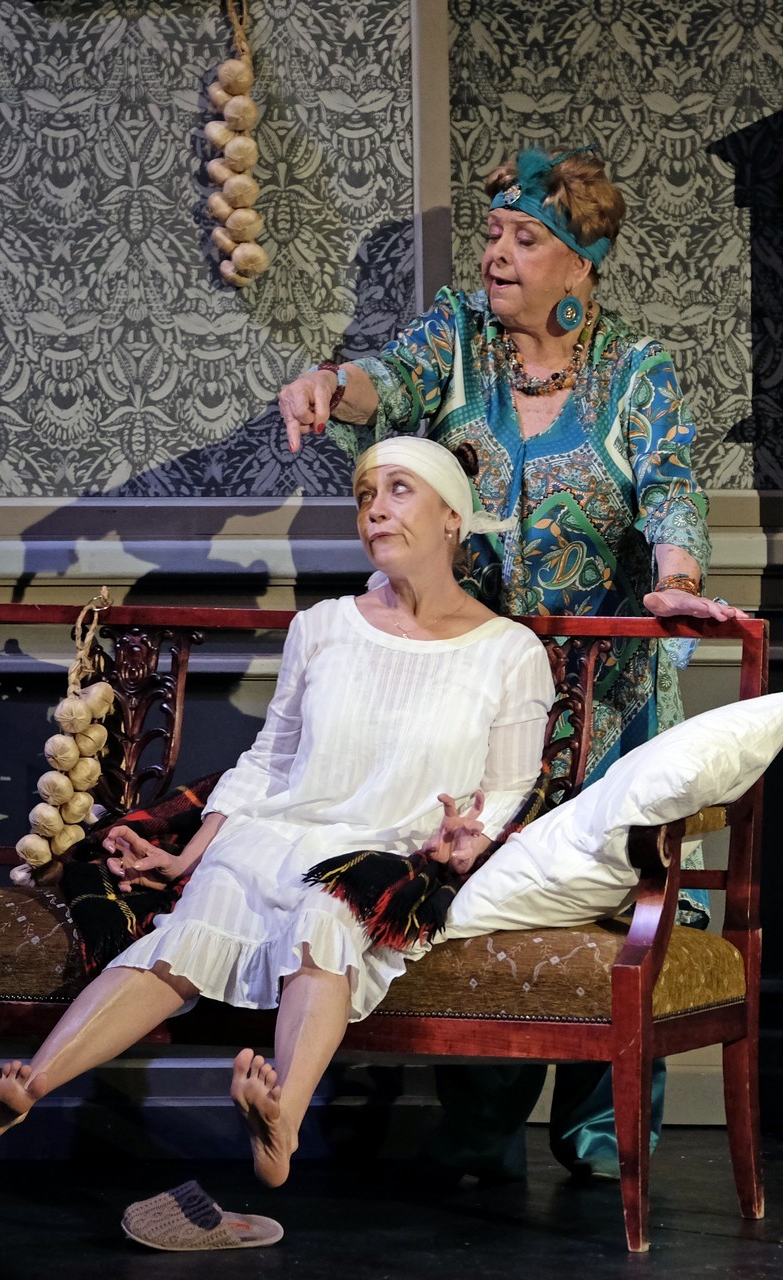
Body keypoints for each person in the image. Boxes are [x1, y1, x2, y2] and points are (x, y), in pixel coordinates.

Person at [278, 145, 748, 1181]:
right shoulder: (457, 341)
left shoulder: (634, 371)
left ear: (580, 263)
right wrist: (327, 384)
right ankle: (480, 1125)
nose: (495, 253)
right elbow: (380, 383)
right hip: (484, 687)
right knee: (480, 878)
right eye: (492, 232)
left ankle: (602, 1134)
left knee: (617, 890)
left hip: (612, 695)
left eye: (523, 238)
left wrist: (674, 577)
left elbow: (670, 487)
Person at [0, 435, 581, 1188]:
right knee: (187, 931)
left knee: (326, 916)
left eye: (398, 490)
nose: (374, 510)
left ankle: (280, 1116)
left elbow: (510, 790)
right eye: (364, 496)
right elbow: (269, 762)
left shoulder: (507, 651)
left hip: (386, 856)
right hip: (280, 831)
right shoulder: (324, 627)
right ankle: (29, 1087)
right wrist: (189, 856)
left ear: (453, 516)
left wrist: (466, 844)